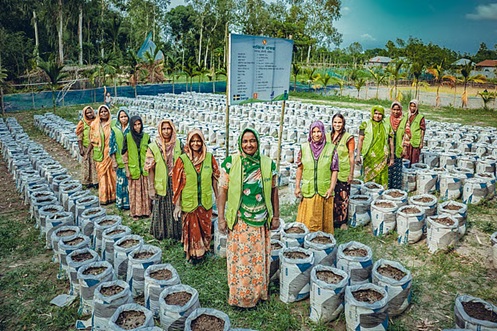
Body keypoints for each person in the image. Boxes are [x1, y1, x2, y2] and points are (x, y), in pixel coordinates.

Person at [217, 128, 280, 309]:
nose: (249, 144)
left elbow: (274, 191)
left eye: (252, 141)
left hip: (261, 219)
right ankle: (240, 297)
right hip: (240, 219)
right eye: (245, 141)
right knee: (241, 259)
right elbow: (223, 191)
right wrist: (221, 218)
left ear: (258, 143)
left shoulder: (267, 164)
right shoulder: (231, 163)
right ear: (240, 143)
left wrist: (276, 216)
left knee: (258, 258)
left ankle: (258, 294)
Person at [172, 129, 220, 264]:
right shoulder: (182, 160)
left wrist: (218, 197)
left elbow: (215, 178)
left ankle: (204, 250)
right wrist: (178, 205)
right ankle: (193, 255)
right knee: (191, 230)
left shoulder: (209, 158)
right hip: (189, 202)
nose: (196, 143)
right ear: (188, 142)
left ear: (203, 141)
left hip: (204, 202)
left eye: (198, 140)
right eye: (192, 141)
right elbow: (177, 184)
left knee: (205, 229)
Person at [294, 121, 338, 233]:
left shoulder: (331, 148)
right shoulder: (304, 148)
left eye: (319, 131)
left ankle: (322, 242)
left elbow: (335, 170)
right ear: (310, 133)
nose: (316, 134)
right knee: (308, 220)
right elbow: (300, 168)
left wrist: (331, 188)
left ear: (323, 132)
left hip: (324, 191)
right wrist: (297, 186)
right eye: (314, 131)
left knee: (323, 222)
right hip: (309, 191)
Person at [145, 119, 183, 240]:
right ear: (160, 130)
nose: (166, 131)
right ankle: (161, 233)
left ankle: (175, 234)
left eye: (168, 128)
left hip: (175, 182)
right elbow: (150, 168)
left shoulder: (178, 144)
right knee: (161, 208)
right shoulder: (153, 146)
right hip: (161, 182)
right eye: (164, 129)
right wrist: (151, 187)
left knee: (176, 206)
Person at [355, 105, 394, 189]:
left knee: (382, 177)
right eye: (375, 113)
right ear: (372, 113)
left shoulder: (387, 126)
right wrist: (358, 155)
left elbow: (391, 142)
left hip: (383, 157)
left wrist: (392, 158)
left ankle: (380, 196)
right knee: (369, 178)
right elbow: (360, 140)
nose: (377, 116)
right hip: (369, 157)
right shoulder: (365, 124)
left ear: (383, 115)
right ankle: (369, 194)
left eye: (380, 114)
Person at [122, 116, 151, 219]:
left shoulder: (146, 136)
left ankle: (146, 211)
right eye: (135, 124)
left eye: (139, 124)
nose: (137, 127)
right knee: (134, 192)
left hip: (144, 169)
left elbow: (150, 153)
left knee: (145, 192)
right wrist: (127, 170)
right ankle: (135, 213)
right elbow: (124, 154)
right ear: (131, 126)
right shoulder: (128, 137)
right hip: (133, 169)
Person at [329, 114, 355, 230]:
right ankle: (332, 220)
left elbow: (351, 157)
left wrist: (351, 173)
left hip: (343, 170)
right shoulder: (328, 136)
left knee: (343, 197)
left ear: (343, 124)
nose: (337, 125)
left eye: (339, 122)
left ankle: (343, 221)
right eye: (335, 122)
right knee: (332, 196)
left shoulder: (348, 137)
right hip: (330, 171)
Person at [90, 105, 117, 205]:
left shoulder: (113, 124)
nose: (104, 113)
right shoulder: (94, 124)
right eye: (101, 112)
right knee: (102, 175)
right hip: (101, 154)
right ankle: (104, 197)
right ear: (99, 114)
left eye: (105, 111)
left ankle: (113, 196)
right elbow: (92, 138)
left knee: (112, 174)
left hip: (111, 153)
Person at [110, 108, 130, 210]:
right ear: (118, 118)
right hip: (118, 160)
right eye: (121, 117)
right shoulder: (115, 129)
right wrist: (113, 160)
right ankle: (121, 203)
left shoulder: (131, 128)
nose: (124, 119)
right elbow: (112, 145)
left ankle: (130, 204)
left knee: (130, 183)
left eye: (125, 116)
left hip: (131, 160)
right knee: (120, 182)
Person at [75, 106, 99, 189]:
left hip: (95, 147)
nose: (89, 114)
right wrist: (81, 148)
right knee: (86, 164)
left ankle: (95, 182)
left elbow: (96, 136)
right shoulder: (82, 122)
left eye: (90, 112)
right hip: (85, 147)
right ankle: (86, 182)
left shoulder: (96, 121)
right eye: (87, 113)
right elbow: (79, 136)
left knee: (94, 165)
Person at [399, 99, 426, 165]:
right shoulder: (406, 115)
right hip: (406, 140)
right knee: (405, 158)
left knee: (414, 159)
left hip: (415, 140)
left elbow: (422, 130)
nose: (412, 108)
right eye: (411, 106)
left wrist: (421, 142)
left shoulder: (420, 117)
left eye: (414, 106)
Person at [388, 101, 404, 189]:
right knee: (388, 167)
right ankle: (388, 187)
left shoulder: (404, 120)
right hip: (388, 147)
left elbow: (407, 134)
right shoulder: (387, 120)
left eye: (398, 110)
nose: (396, 112)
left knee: (397, 168)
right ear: (391, 110)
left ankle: (396, 189)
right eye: (394, 109)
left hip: (398, 147)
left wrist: (404, 148)